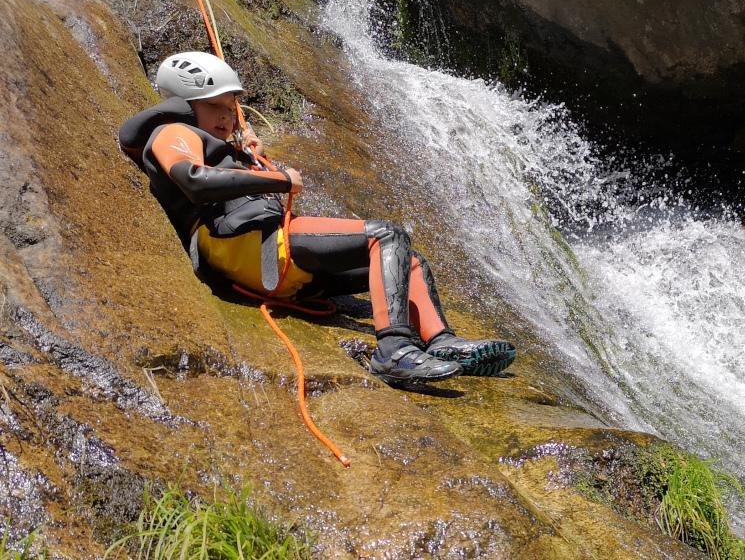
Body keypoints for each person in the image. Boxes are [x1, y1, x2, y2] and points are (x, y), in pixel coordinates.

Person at [118, 51, 515, 387]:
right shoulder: (172, 131)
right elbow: (194, 180)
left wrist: (245, 155)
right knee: (386, 236)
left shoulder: (223, 144)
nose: (226, 117)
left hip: (268, 254)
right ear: (185, 105)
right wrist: (277, 178)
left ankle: (442, 341)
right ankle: (393, 350)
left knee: (407, 261)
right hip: (241, 243)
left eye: (230, 108)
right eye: (214, 107)